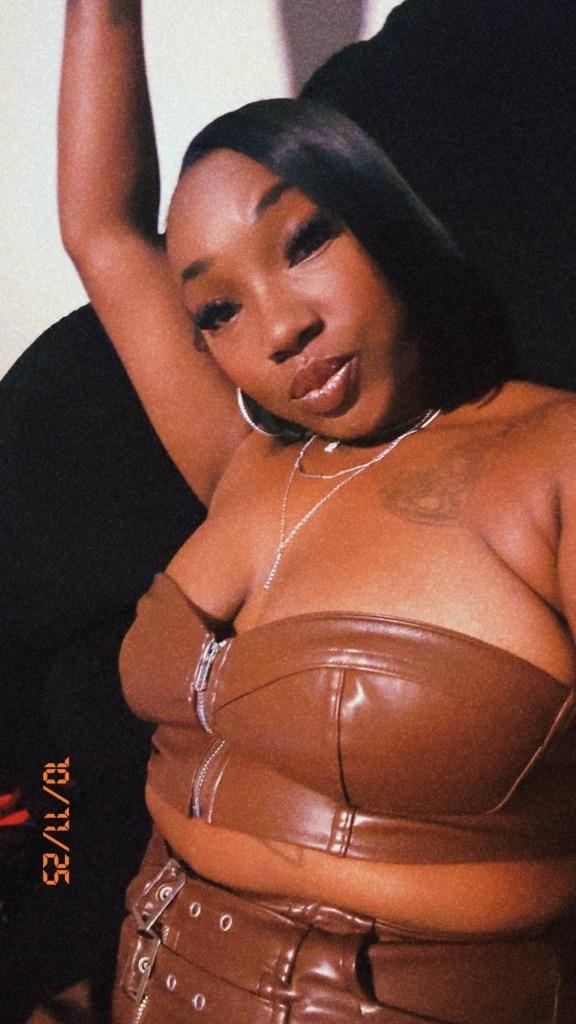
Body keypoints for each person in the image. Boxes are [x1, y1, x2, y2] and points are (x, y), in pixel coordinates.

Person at [58, 2, 576, 1021]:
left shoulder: (553, 459)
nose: (281, 327)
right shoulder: (246, 467)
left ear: (385, 218)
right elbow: (101, 231)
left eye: (302, 242)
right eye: (218, 309)